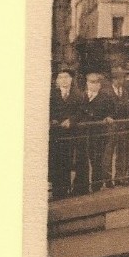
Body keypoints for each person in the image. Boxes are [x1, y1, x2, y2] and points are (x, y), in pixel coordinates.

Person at [79, 71, 116, 192]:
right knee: (84, 159)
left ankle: (96, 184)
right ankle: (82, 186)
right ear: (87, 83)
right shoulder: (82, 96)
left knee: (97, 160)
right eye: (90, 82)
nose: (93, 85)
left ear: (99, 84)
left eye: (95, 82)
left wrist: (109, 117)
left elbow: (112, 110)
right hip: (84, 133)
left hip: (99, 133)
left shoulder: (105, 97)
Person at [105, 66, 129, 186]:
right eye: (117, 79)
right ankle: (108, 178)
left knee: (122, 153)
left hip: (123, 127)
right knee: (108, 154)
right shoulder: (107, 92)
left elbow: (128, 109)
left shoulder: (124, 92)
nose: (120, 81)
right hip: (111, 127)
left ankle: (119, 176)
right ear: (113, 80)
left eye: (121, 79)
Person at [48, 68, 81, 198]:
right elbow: (48, 110)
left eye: (66, 77)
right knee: (56, 161)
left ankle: (66, 189)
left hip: (70, 133)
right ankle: (57, 190)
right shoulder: (52, 94)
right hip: (56, 133)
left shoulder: (77, 94)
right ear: (57, 80)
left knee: (67, 161)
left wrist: (71, 120)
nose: (64, 80)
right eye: (60, 78)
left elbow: (80, 111)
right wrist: (53, 119)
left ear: (71, 79)